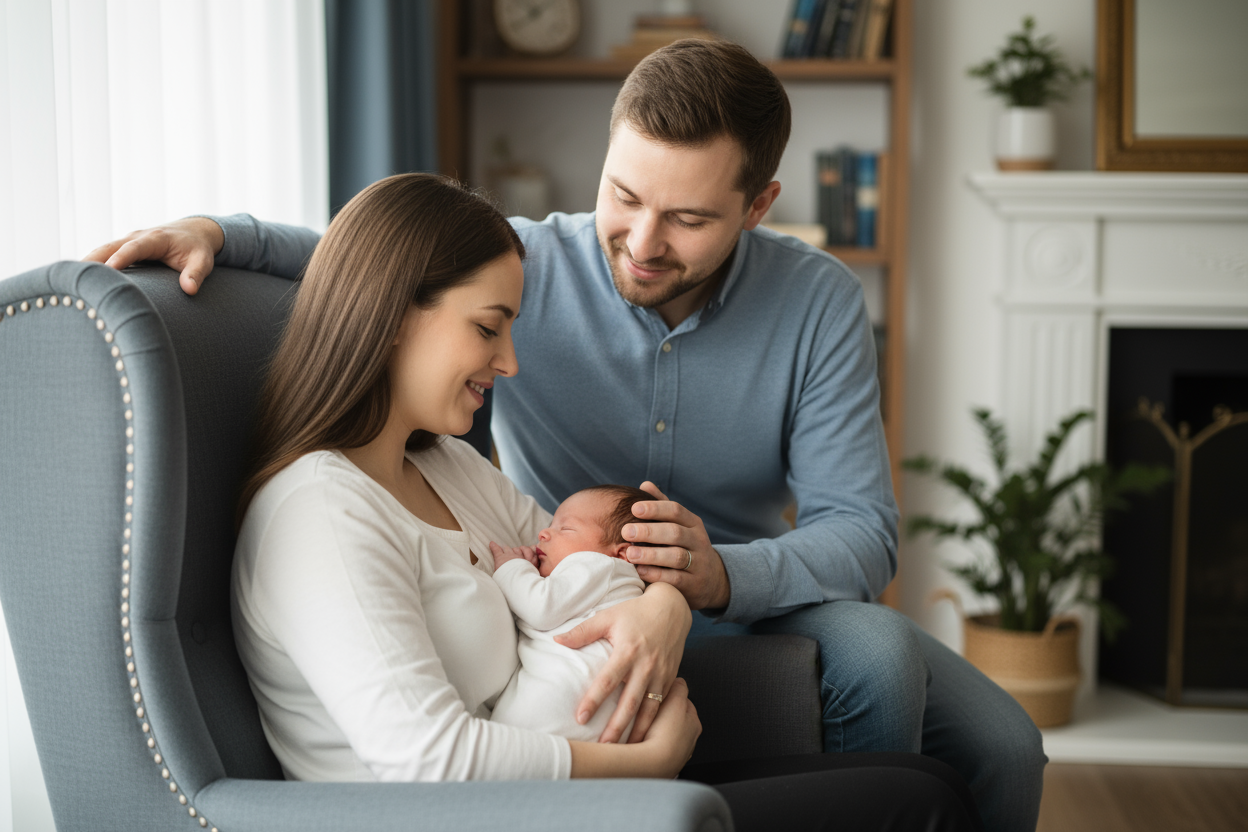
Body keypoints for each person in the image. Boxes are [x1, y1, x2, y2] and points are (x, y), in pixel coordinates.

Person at [87, 38, 1042, 832]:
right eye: (624, 195)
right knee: (885, 685)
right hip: (573, 610)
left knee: (1004, 749)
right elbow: (375, 259)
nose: (642, 241)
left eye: (688, 218)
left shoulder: (815, 301)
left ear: (758, 207)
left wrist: (708, 582)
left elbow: (862, 531)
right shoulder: (523, 267)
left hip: (745, 591)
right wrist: (223, 232)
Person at [226, 170, 980, 831]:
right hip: (505, 813)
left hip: (560, 801)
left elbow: (602, 568)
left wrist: (670, 606)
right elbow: (428, 760)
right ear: (391, 316)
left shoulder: (449, 468)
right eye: (488, 328)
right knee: (919, 806)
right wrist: (645, 767)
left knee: (924, 782)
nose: (510, 362)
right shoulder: (319, 513)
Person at [488, 485, 651, 743]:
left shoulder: (601, 565)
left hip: (562, 705)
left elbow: (540, 607)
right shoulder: (612, 583)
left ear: (621, 553)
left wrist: (513, 568)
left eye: (565, 528)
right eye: (551, 525)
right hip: (593, 715)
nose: (543, 533)